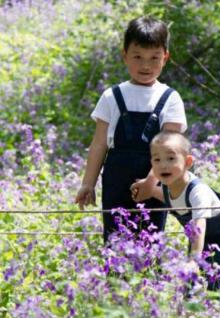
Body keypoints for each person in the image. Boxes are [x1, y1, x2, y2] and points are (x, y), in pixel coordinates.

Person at [75, 16, 187, 242]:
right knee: (114, 243)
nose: (145, 65)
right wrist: (88, 183)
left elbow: (170, 151)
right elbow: (99, 144)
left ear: (165, 58)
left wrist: (150, 183)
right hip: (116, 179)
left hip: (154, 180)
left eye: (154, 58)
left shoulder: (170, 98)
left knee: (150, 244)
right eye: (137, 57)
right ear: (124, 55)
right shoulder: (111, 96)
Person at [141, 131, 220, 289]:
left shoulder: (197, 191)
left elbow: (198, 225)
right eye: (157, 159)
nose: (163, 165)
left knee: (217, 284)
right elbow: (173, 201)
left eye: (171, 158)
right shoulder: (168, 186)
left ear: (188, 162)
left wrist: (194, 259)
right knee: (189, 285)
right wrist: (149, 189)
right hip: (198, 240)